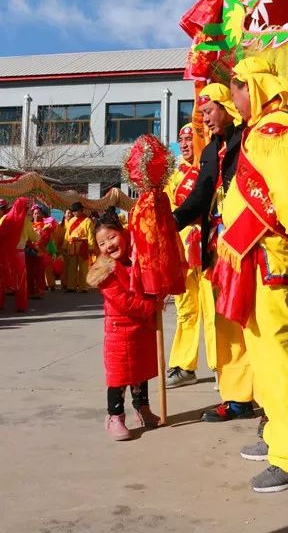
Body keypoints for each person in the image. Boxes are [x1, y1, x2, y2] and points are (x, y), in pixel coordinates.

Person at [216, 56, 288, 492]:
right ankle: (279, 436)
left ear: (253, 87)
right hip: (255, 257)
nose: (234, 99)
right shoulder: (263, 126)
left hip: (269, 259)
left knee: (278, 360)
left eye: (237, 89)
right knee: (262, 356)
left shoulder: (272, 129)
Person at [173, 84, 254, 422]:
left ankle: (267, 397)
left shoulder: (250, 139)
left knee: (252, 323)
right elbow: (201, 196)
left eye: (209, 111)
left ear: (227, 107)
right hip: (214, 249)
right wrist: (171, 221)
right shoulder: (210, 152)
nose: (204, 119)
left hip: (248, 245)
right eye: (202, 113)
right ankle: (237, 398)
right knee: (223, 322)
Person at [87, 214, 160, 441]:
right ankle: (115, 416)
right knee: (119, 377)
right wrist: (151, 305)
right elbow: (124, 302)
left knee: (141, 372)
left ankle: (142, 408)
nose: (109, 245)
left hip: (142, 327)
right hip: (120, 330)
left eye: (112, 237)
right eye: (102, 243)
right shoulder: (104, 271)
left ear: (123, 233)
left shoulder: (139, 257)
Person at [165, 123, 217, 388]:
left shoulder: (212, 169)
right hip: (183, 251)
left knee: (213, 309)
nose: (185, 144)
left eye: (190, 139)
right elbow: (166, 216)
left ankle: (222, 365)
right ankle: (184, 365)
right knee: (185, 310)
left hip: (209, 247)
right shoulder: (174, 178)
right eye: (181, 140)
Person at [64, 202, 95, 292]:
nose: (74, 213)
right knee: (71, 267)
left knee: (83, 267)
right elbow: (67, 234)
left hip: (83, 245)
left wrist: (91, 247)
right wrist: (64, 245)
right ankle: (71, 286)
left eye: (76, 211)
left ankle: (84, 287)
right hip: (72, 245)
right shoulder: (71, 220)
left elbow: (90, 235)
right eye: (73, 211)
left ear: (81, 211)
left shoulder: (87, 221)